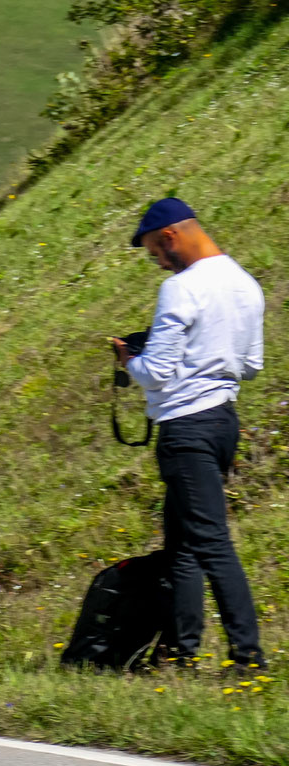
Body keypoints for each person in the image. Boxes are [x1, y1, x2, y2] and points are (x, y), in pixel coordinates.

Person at [111, 198, 267, 671]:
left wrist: (127, 360)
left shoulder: (179, 288)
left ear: (171, 236)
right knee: (182, 546)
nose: (156, 260)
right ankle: (180, 653)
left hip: (185, 428)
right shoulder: (246, 285)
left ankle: (248, 658)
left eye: (155, 250)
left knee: (210, 541)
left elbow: (156, 372)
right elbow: (252, 365)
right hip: (224, 421)